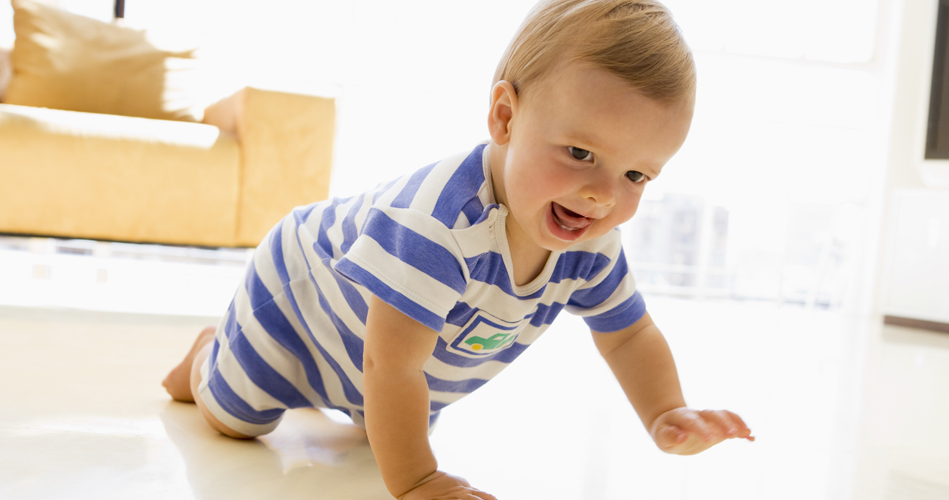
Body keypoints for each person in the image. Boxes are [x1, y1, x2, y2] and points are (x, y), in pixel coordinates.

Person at [163, 1, 754, 498]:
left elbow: (627, 334)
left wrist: (664, 411)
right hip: (302, 297)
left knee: (384, 427)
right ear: (505, 117)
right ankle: (206, 358)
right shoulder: (437, 228)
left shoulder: (592, 243)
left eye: (636, 177)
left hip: (393, 353)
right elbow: (389, 365)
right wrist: (418, 481)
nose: (602, 196)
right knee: (233, 418)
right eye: (580, 154)